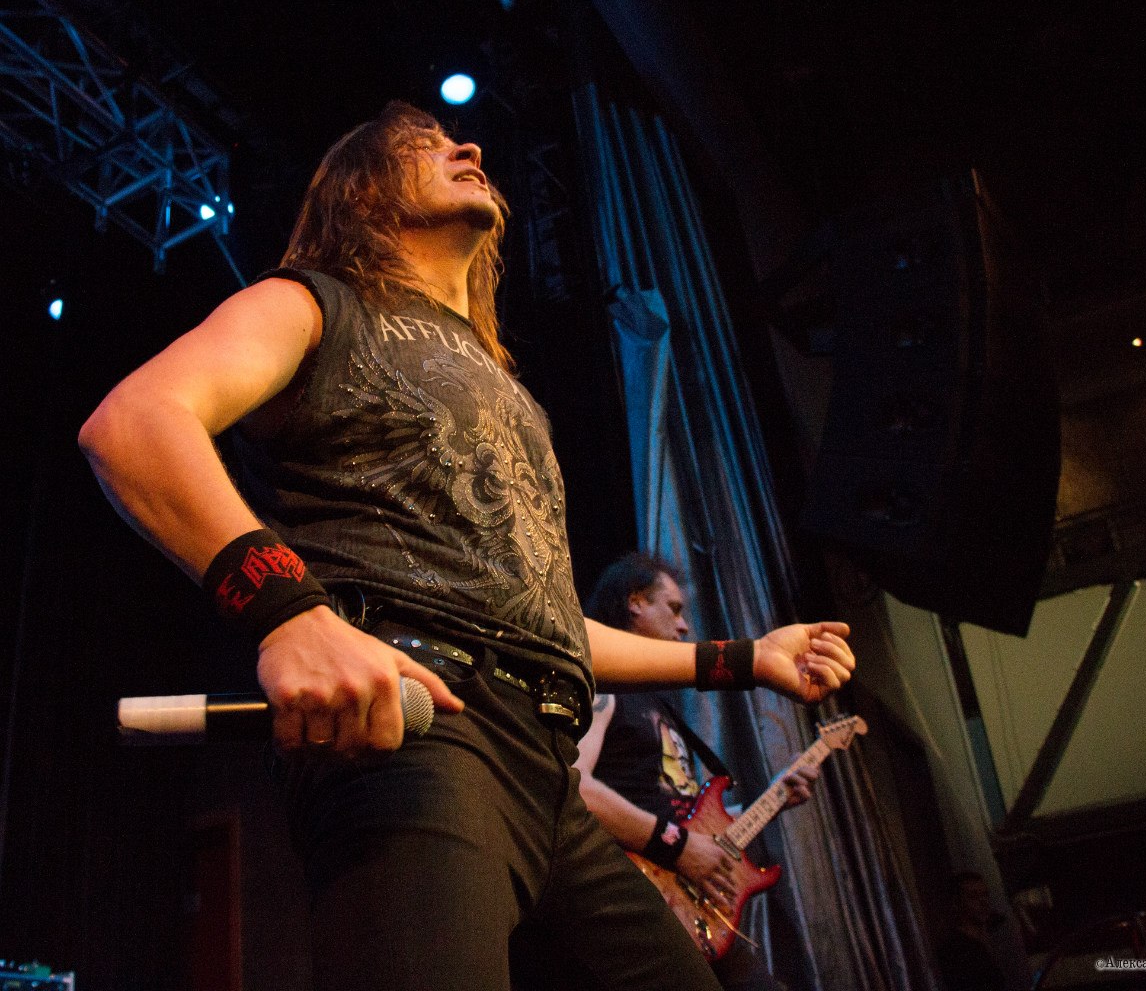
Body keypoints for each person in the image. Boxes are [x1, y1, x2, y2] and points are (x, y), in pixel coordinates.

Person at [78, 100, 855, 991]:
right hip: (421, 735)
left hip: (548, 778)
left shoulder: (507, 387)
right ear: (363, 193)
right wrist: (290, 616)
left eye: (456, 140)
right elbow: (136, 422)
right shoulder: (311, 303)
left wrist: (745, 659)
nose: (468, 146)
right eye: (424, 146)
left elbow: (545, 626)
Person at [577, 553, 820, 991]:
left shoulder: (660, 703)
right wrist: (678, 847)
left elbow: (685, 812)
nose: (684, 625)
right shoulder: (605, 692)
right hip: (638, 895)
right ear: (635, 602)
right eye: (673, 609)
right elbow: (576, 788)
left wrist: (774, 798)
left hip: (688, 900)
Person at [934, 872, 1008, 991]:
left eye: (985, 895)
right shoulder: (956, 951)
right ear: (956, 903)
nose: (983, 901)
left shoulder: (986, 940)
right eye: (973, 896)